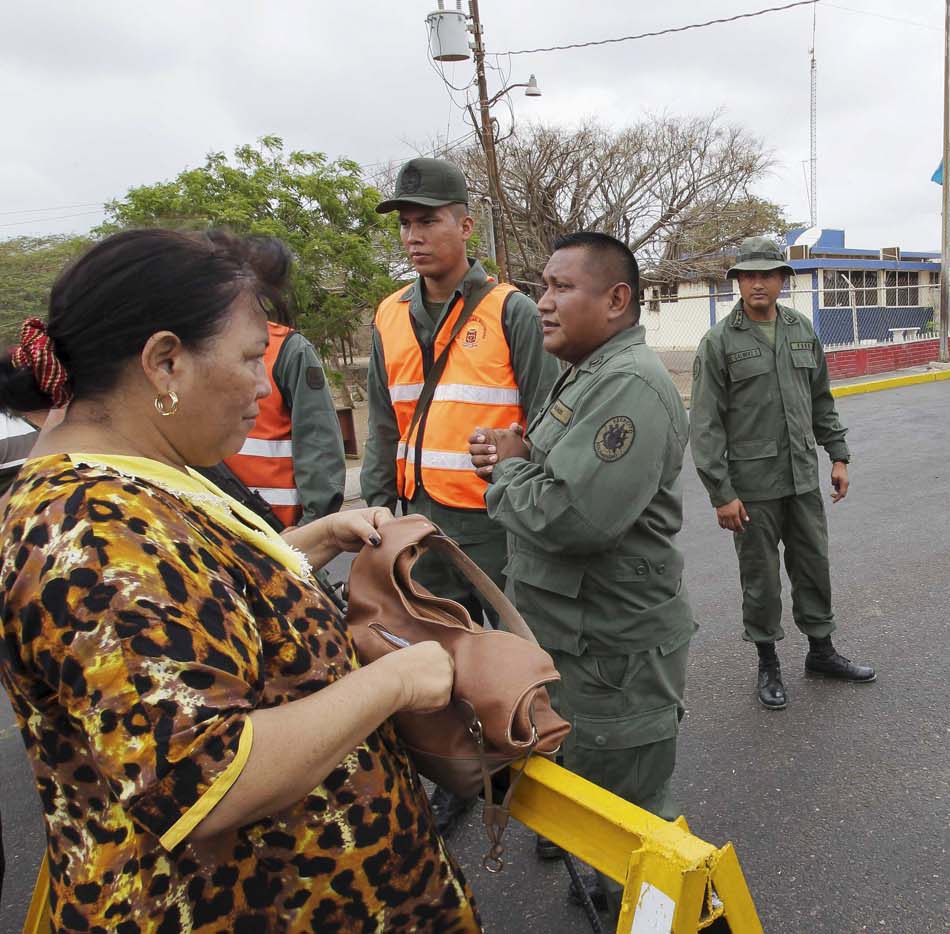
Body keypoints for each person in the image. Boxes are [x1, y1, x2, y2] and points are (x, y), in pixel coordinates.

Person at [0, 229, 480, 931]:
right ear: (165, 362)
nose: (263, 384)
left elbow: (189, 613)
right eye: (252, 359)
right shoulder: (91, 532)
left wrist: (298, 549)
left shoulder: (131, 485)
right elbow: (208, 781)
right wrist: (396, 682)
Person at [469, 232, 695, 916]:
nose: (544, 302)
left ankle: (655, 921)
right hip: (576, 638)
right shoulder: (589, 371)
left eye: (562, 287)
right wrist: (518, 450)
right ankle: (605, 886)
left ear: (617, 299)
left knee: (639, 824)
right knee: (595, 803)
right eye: (544, 286)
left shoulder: (628, 385)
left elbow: (573, 518)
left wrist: (506, 469)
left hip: (613, 649)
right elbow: (553, 461)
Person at [362, 156, 558, 831]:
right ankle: (460, 775)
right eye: (406, 224)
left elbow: (548, 420)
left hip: (494, 519)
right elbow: (384, 418)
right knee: (435, 653)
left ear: (465, 225)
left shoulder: (513, 312)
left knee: (515, 653)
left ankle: (542, 784)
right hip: (418, 521)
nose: (414, 236)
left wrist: (517, 455)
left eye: (428, 221)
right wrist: (380, 505)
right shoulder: (389, 314)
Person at [689, 235, 875, 710]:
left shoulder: (800, 329)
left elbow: (820, 400)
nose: (757, 283)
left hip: (800, 477)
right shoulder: (718, 343)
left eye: (766, 274)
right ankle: (768, 661)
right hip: (750, 488)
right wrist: (720, 493)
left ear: (781, 280)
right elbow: (706, 425)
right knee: (762, 577)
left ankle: (821, 651)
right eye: (748, 275)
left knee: (814, 564)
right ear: (738, 282)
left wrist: (838, 454)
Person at [222, 235, 345, 526]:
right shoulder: (188, 353)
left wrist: (314, 526)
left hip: (282, 529)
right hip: (216, 529)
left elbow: (318, 443)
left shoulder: (289, 350)